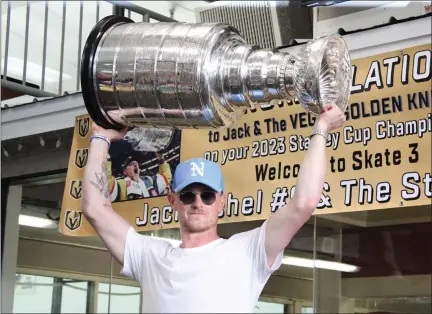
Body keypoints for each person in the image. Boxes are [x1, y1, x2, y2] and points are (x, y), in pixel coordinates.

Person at [81, 104, 346, 313]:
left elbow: (304, 203)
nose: (198, 202)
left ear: (221, 202)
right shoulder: (150, 256)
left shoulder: (246, 251)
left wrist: (321, 128)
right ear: (172, 201)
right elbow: (95, 208)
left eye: (207, 195)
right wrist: (101, 137)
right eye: (188, 195)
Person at [107, 152, 172, 202]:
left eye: (136, 163)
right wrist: (106, 158)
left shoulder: (148, 180)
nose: (135, 164)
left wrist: (161, 158)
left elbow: (166, 177)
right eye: (131, 164)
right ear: (125, 171)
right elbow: (106, 182)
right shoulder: (121, 184)